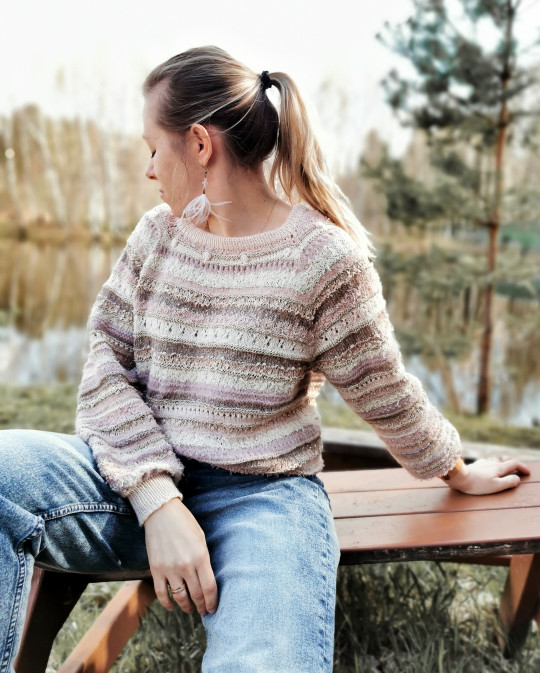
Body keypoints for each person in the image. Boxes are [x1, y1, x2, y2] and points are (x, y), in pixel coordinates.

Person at [0, 46, 529, 673]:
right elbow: (105, 367)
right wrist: (158, 501)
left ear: (200, 145)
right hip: (132, 482)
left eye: (154, 148)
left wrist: (454, 468)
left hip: (264, 500)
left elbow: (382, 387)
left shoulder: (323, 260)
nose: (148, 169)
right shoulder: (156, 237)